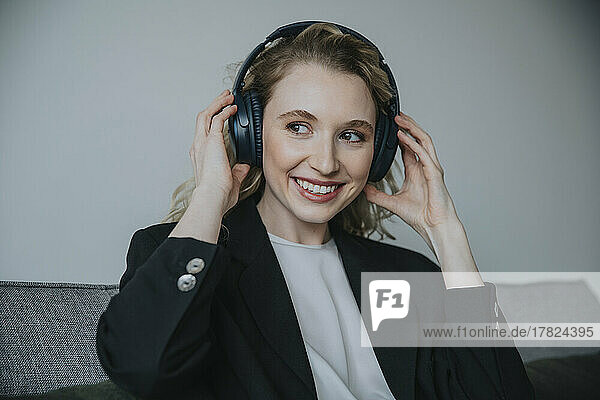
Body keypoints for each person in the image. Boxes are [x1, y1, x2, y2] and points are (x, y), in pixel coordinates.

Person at [96, 22, 534, 399]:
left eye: (352, 135)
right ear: (251, 133)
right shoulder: (181, 258)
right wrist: (211, 196)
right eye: (298, 127)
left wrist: (447, 236)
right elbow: (140, 366)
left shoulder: (405, 275)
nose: (326, 163)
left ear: (379, 152)